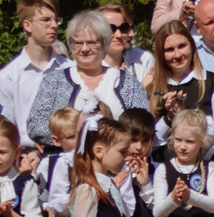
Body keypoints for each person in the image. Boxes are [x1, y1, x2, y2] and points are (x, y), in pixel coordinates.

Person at [31, 11, 147, 148]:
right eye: (78, 43)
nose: (84, 49)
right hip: (67, 162)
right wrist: (75, 136)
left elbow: (143, 125)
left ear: (104, 44)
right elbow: (35, 125)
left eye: (91, 42)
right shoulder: (53, 81)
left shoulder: (128, 83)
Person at [0, 0, 66, 148]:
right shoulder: (8, 76)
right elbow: (7, 127)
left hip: (66, 153)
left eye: (56, 19)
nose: (54, 25)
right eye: (46, 20)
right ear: (27, 25)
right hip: (25, 156)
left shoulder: (69, 69)